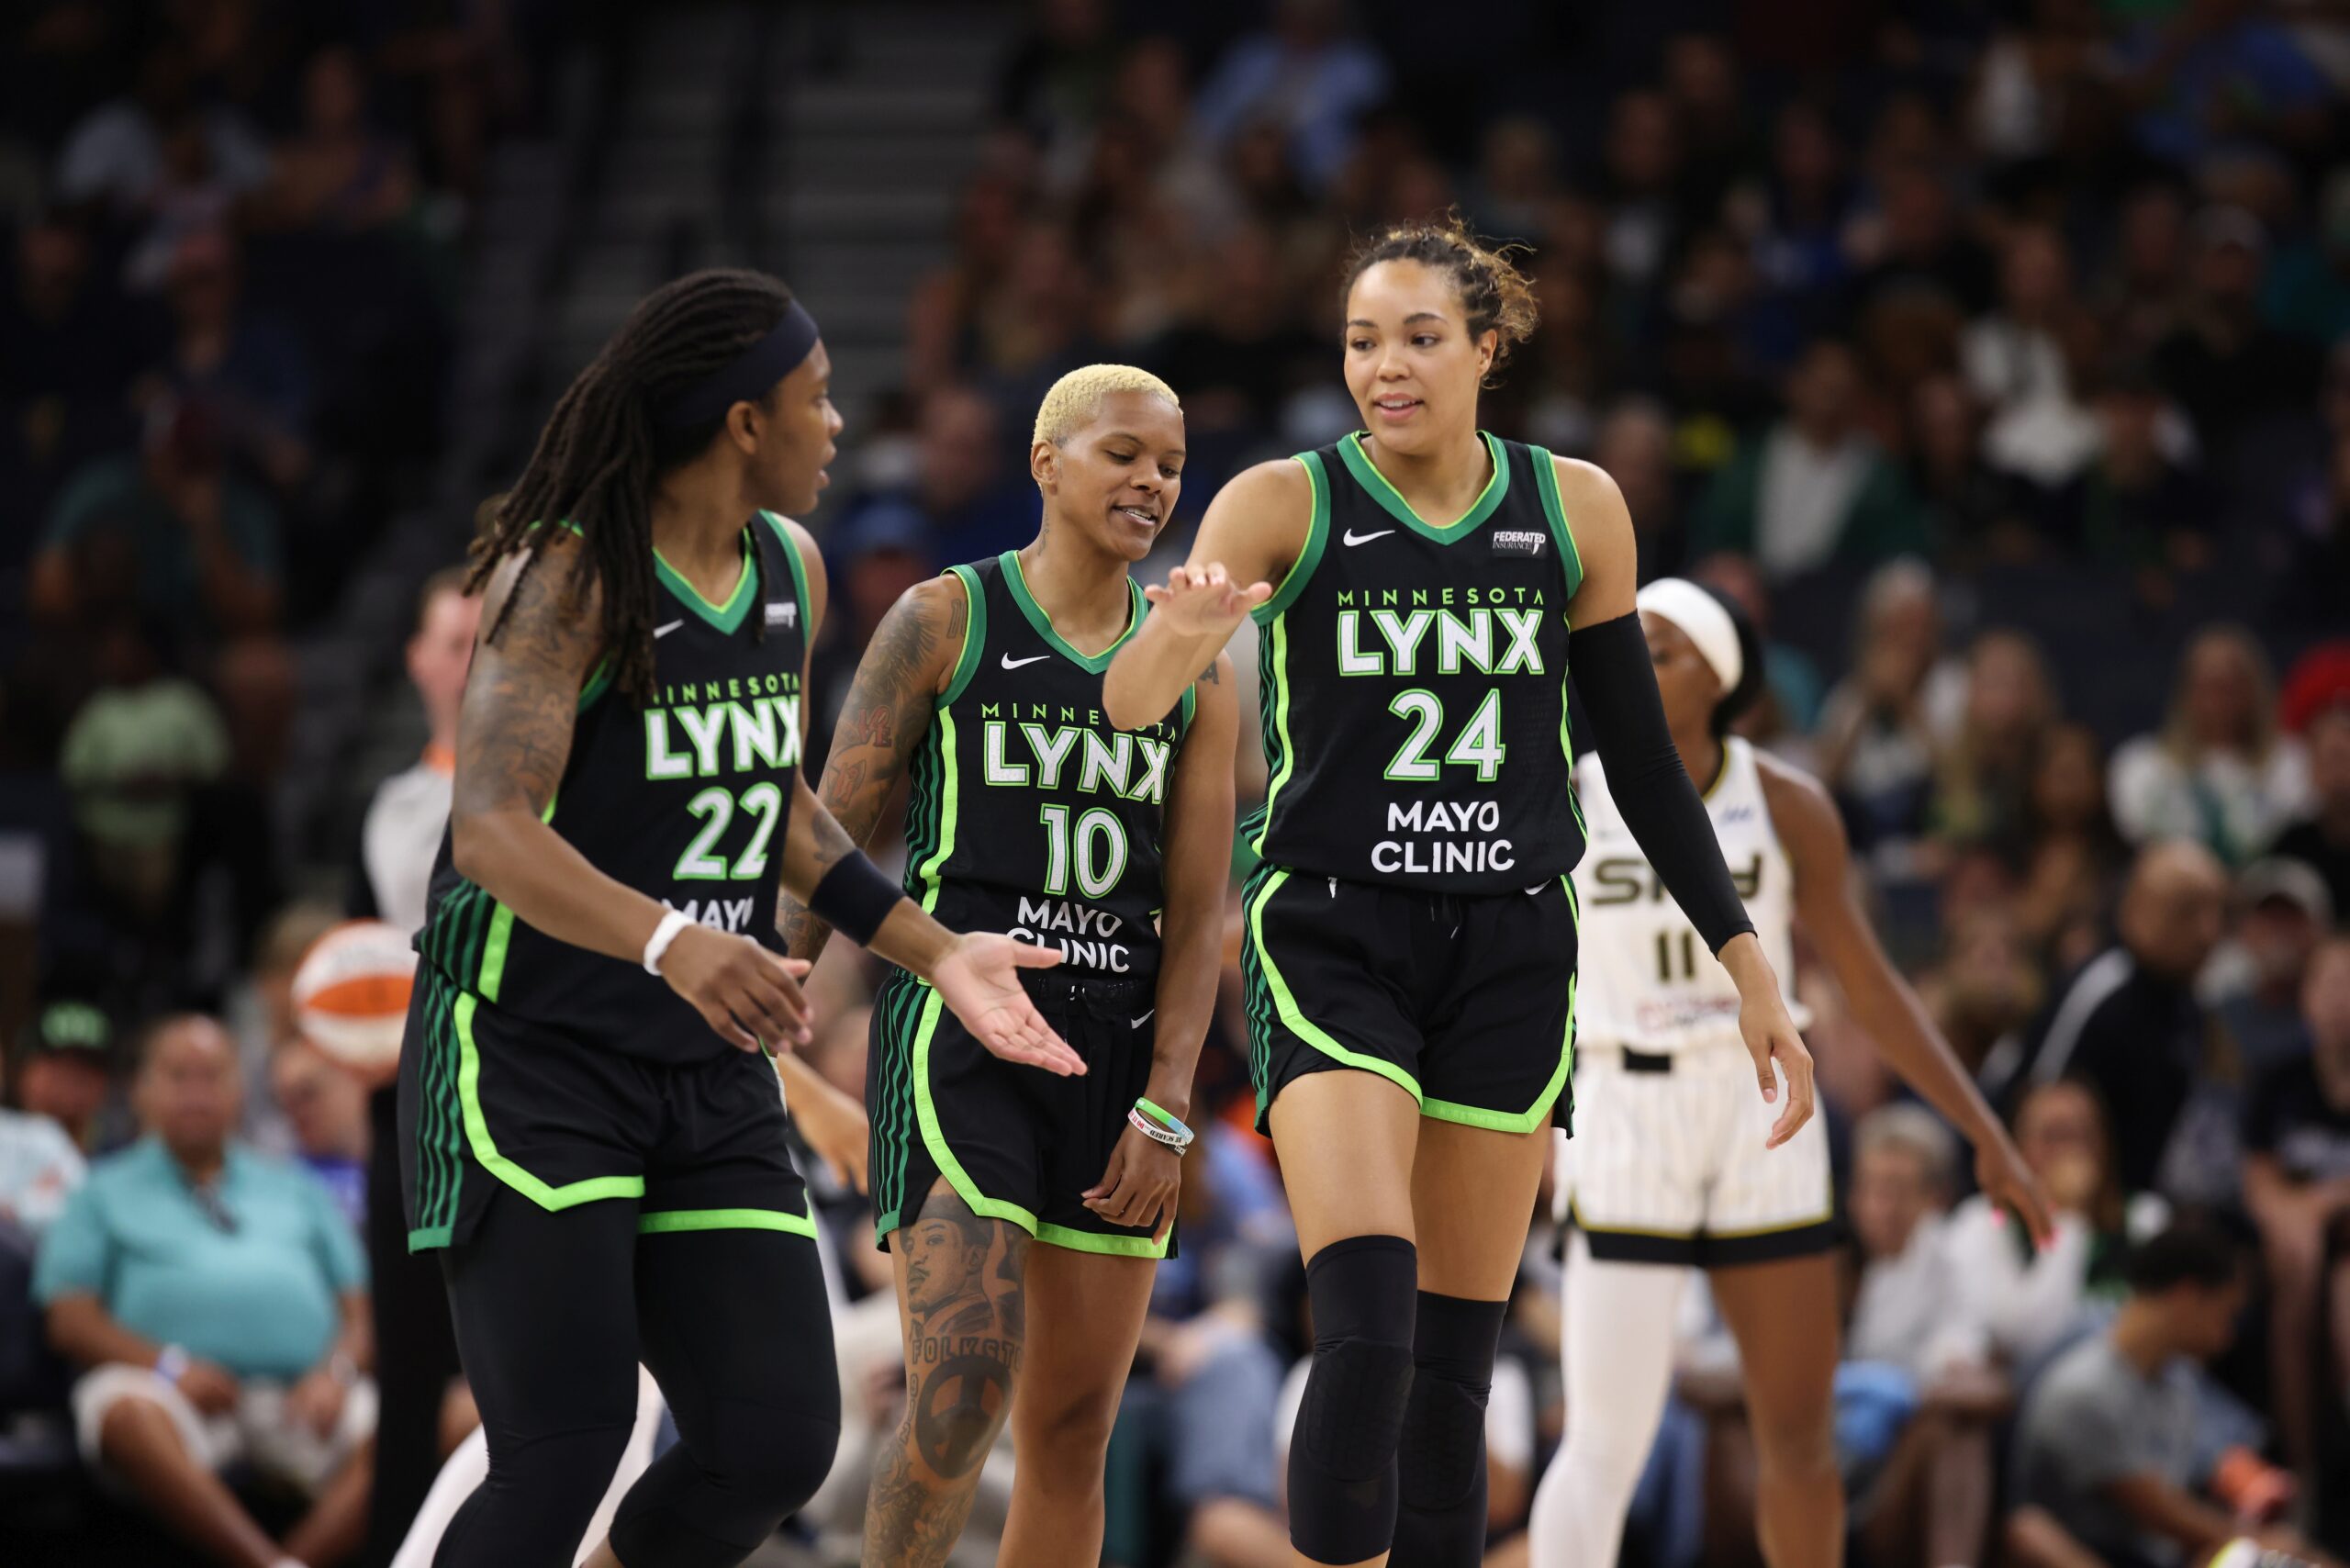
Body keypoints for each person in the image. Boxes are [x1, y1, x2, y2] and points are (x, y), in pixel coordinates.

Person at [1104, 217, 1815, 1568]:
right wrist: (1181, 635)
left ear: (1489, 349)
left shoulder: (1574, 506)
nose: (1388, 366)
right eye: (1365, 340)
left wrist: (1748, 963)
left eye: (1422, 338)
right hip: (1333, 934)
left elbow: (1645, 764)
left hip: (1510, 945)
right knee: (1364, 1338)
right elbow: (1133, 705)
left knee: (1449, 1394)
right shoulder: (1281, 502)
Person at [395, 268, 1081, 1568]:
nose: (838, 426)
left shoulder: (791, 570)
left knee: (771, 1441)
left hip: (700, 1069)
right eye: (816, 402)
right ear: (742, 424)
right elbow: (488, 827)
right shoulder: (573, 578)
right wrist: (672, 938)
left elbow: (774, 802)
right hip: (528, 1053)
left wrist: (939, 955)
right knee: (562, 1450)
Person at [780, 363, 1237, 1568]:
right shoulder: (946, 616)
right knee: (961, 1385)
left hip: (1119, 1054)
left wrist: (1171, 1107)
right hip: (961, 1034)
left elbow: (1198, 919)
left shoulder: (1197, 659)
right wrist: (774, 986)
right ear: (1046, 463)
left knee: (1075, 1430)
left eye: (1171, 466)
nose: (1152, 481)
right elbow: (820, 833)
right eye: (1123, 455)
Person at [1526, 580, 2046, 1568]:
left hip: (1761, 1099)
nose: (1635, 663)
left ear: (1723, 679)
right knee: (1601, 1441)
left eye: (1665, 649)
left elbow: (1869, 979)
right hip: (1625, 1102)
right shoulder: (1566, 789)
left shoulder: (1785, 803)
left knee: (1798, 1439)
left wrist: (1981, 1125)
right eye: (1627, 644)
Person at [35, 1014, 375, 1568]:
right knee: (122, 1412)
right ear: (140, 1089)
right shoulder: (101, 1190)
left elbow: (360, 1309)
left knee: (422, 1421)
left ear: (241, 1090)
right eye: (178, 1076)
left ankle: (290, 1561)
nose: (198, 1092)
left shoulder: (296, 1186)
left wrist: (336, 1372)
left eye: (213, 1076)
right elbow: (68, 1318)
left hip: (304, 1399)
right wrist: (168, 1365)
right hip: (169, 1390)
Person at [2009, 1224, 2343, 1568]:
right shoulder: (2083, 1391)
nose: (2226, 1337)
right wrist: (2263, 1545)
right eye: (2224, 1314)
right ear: (2187, 1296)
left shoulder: (2177, 1382)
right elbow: (2163, 1514)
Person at [1988, 839, 2232, 1204]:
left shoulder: (2189, 1005)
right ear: (2137, 909)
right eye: (2187, 911)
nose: (2207, 933)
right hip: (2061, 1206)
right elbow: (2040, 1107)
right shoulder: (2102, 990)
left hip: (2141, 1204)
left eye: (2218, 913)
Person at [2242, 937, 2350, 1470]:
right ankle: (2303, 1470)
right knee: (2298, 1269)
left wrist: (2322, 1203)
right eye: (2329, 985)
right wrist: (2300, 1221)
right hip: (2295, 1255)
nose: (2340, 1001)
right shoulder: (2278, 1079)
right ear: (2306, 997)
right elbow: (2258, 1183)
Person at [2108, 627, 2311, 868]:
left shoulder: (2293, 762)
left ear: (2255, 690)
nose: (2218, 700)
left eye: (2230, 686)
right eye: (2207, 686)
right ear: (2184, 692)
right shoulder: (2140, 766)